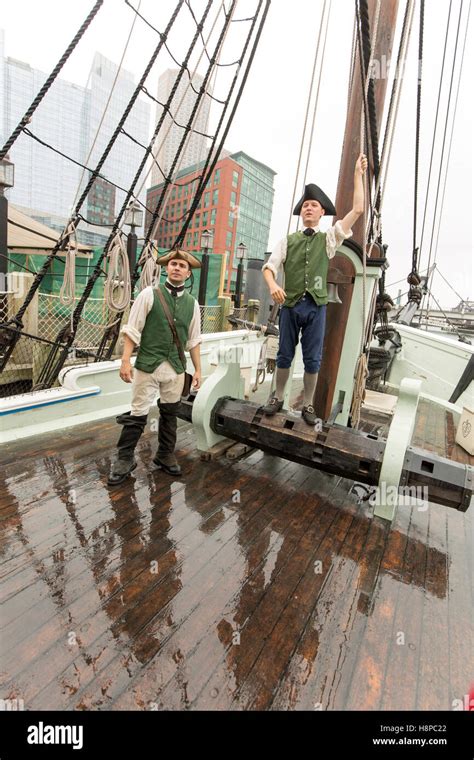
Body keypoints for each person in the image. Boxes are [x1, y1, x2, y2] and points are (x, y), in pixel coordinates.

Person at [261, 153, 368, 424]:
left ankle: (308, 405)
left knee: (313, 358)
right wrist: (273, 284)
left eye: (314, 206)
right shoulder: (287, 241)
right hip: (290, 305)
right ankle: (278, 396)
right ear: (301, 212)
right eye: (305, 205)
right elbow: (268, 267)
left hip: (316, 307)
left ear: (322, 213)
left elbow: (357, 210)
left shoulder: (329, 239)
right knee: (285, 353)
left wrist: (358, 174)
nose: (309, 208)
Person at [107, 248, 202, 486]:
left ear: (188, 273)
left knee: (170, 413)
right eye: (174, 264)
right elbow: (132, 329)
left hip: (176, 368)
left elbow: (194, 340)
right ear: (166, 269)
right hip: (148, 364)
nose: (177, 268)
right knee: (138, 412)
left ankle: (164, 455)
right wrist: (126, 360)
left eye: (182, 265)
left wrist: (198, 370)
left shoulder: (193, 304)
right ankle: (124, 459)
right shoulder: (149, 294)